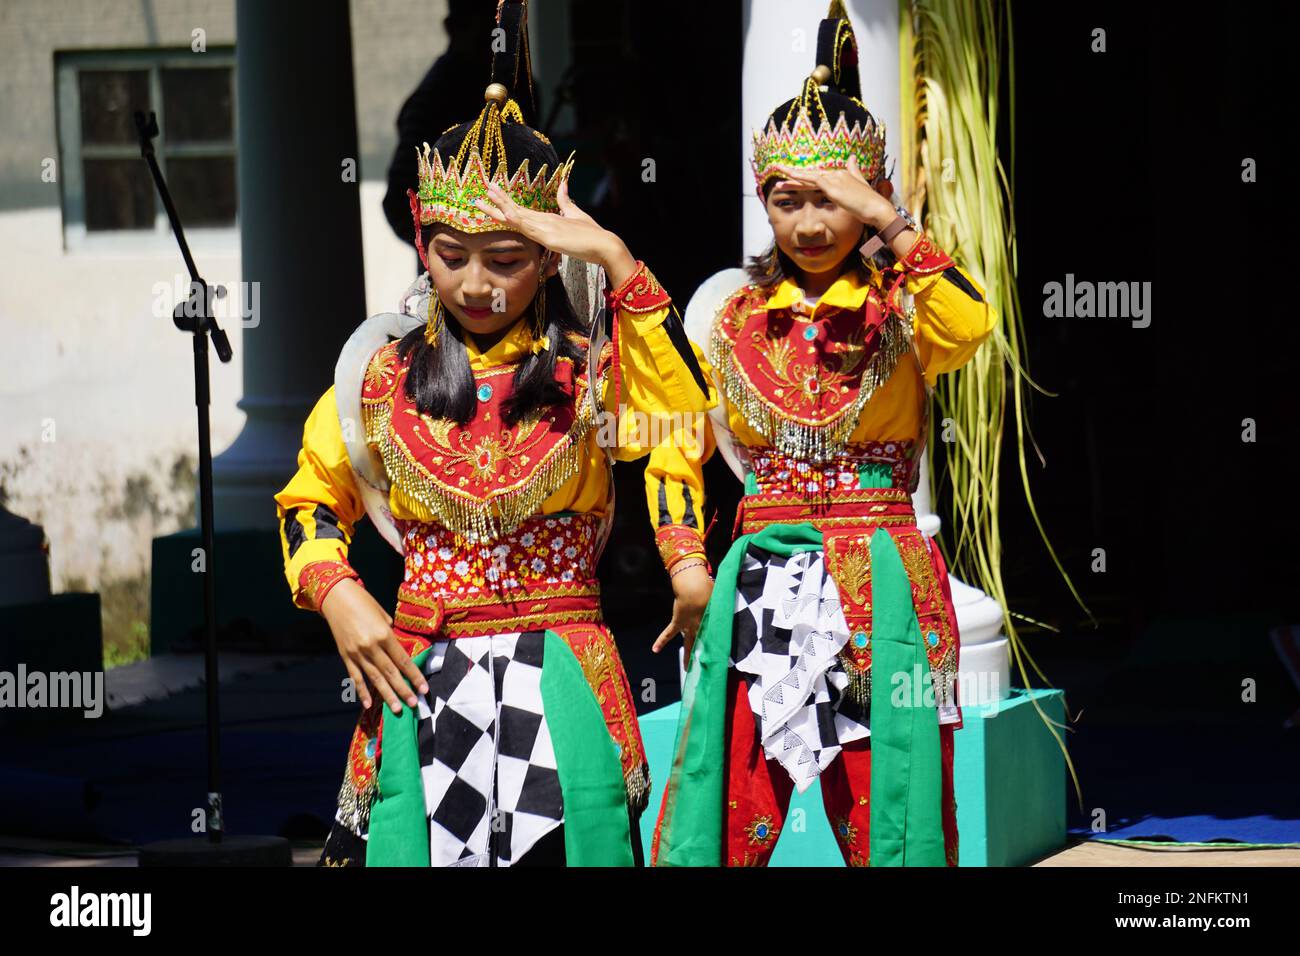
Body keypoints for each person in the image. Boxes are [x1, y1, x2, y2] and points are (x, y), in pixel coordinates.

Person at [274, 0, 712, 866]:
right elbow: (310, 499)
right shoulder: (382, 378)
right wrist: (339, 594)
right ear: (421, 241)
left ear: (551, 258)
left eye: (507, 259)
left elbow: (677, 421)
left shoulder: (593, 371)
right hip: (419, 679)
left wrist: (617, 262)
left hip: (564, 678)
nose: (476, 283)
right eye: (450, 254)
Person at [650, 2, 997, 867]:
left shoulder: (906, 304)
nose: (809, 224)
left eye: (831, 202)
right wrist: (688, 566)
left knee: (896, 805)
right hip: (761, 572)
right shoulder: (727, 317)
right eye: (786, 199)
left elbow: (971, 327)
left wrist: (888, 221)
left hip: (883, 579)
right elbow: (670, 438)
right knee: (729, 807)